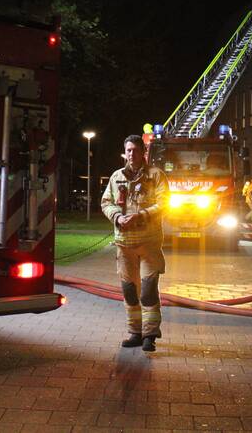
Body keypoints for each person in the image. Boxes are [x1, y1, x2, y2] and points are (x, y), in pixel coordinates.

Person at [100, 134, 169, 352]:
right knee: (129, 291)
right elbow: (106, 202)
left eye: (135, 150)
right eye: (128, 150)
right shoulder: (116, 176)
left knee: (148, 291)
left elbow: (164, 203)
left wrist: (141, 215)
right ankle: (135, 332)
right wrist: (118, 218)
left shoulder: (156, 176)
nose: (131, 154)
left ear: (143, 152)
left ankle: (150, 335)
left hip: (149, 244)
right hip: (124, 244)